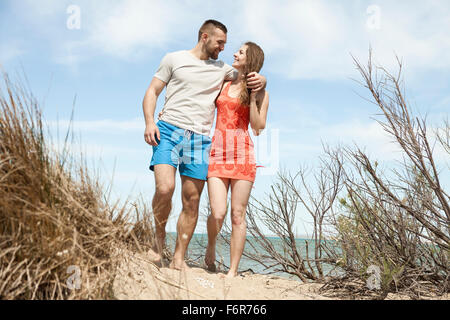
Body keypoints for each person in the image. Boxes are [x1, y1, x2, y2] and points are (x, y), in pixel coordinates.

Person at [142, 20, 266, 270]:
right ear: (204, 37)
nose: (224, 48)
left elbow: (248, 77)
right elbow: (152, 91)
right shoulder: (173, 59)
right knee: (165, 188)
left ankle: (178, 258)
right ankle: (157, 241)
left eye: (227, 45)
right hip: (167, 129)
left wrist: (263, 79)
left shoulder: (223, 70)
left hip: (200, 140)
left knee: (192, 200)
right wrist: (149, 122)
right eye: (220, 42)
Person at [205, 42, 269, 278]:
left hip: (243, 155)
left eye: (240, 52)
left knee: (237, 214)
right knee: (218, 212)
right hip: (217, 153)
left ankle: (232, 271)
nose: (234, 53)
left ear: (250, 59)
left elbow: (258, 126)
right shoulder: (223, 82)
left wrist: (253, 96)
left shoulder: (261, 92)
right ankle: (211, 244)